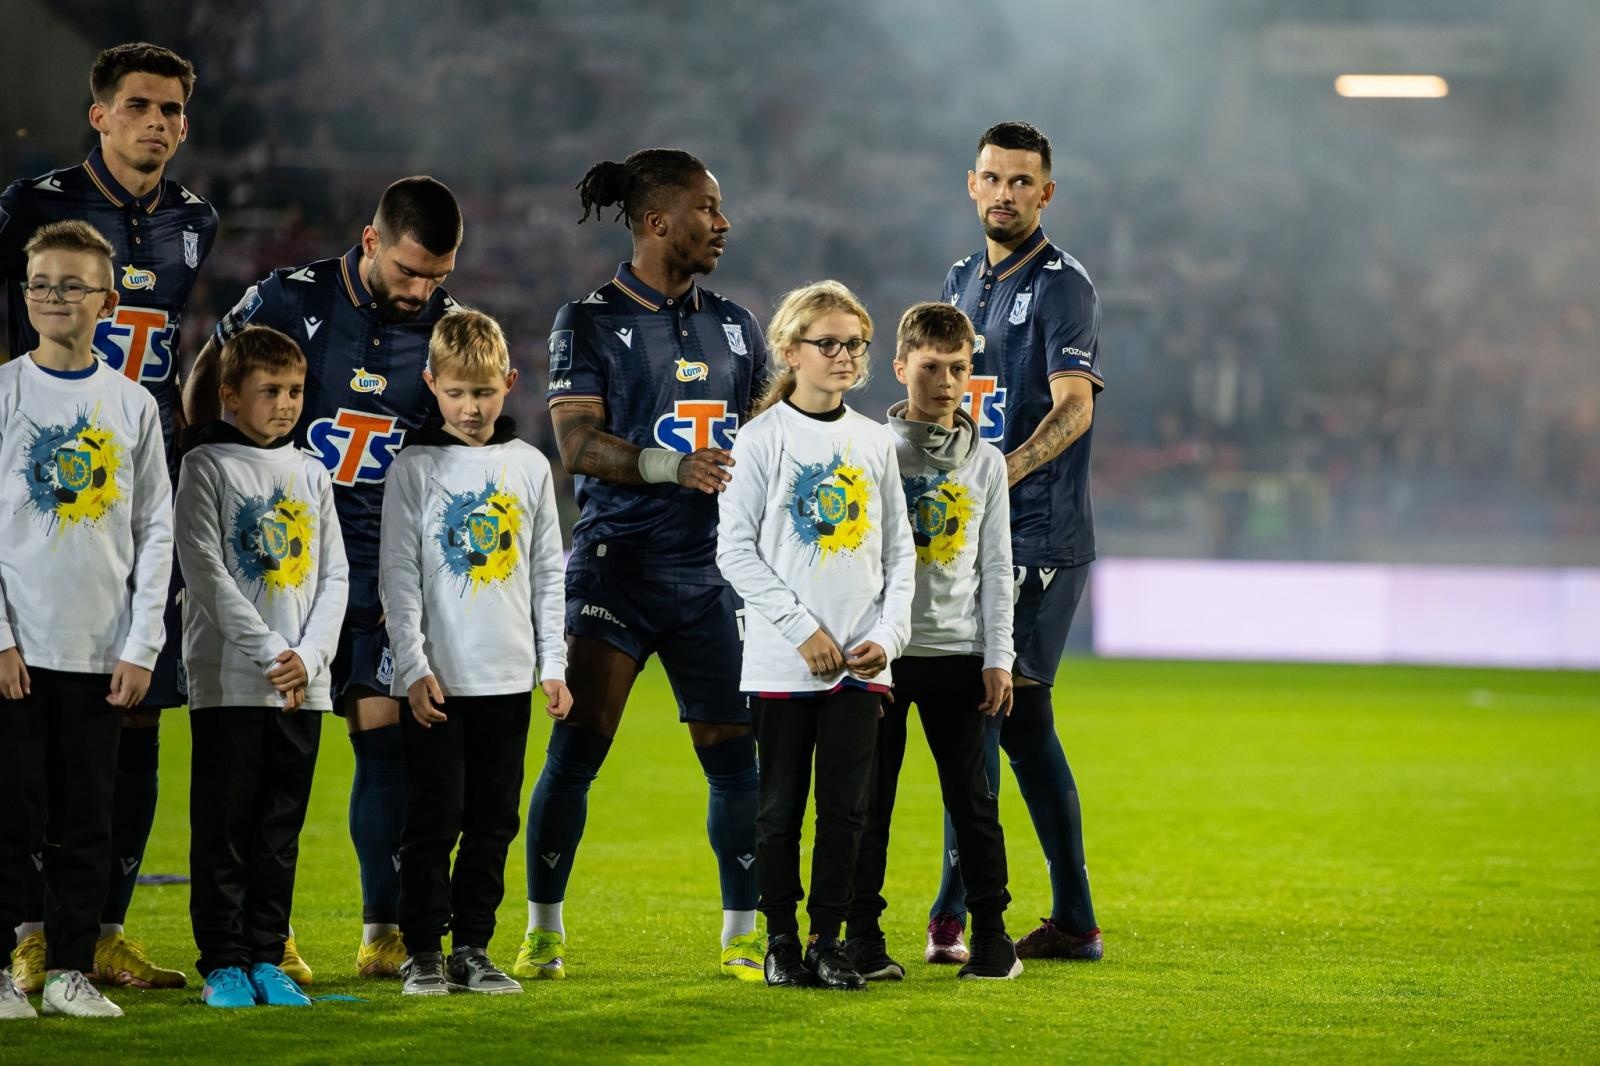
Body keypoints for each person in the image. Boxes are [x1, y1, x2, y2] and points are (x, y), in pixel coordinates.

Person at [186, 176, 463, 980]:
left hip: (374, 566)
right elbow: (209, 377)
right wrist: (212, 458)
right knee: (260, 762)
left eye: (438, 277)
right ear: (371, 241)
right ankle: (264, 936)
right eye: (410, 271)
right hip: (278, 565)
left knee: (384, 740)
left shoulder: (443, 327)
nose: (422, 292)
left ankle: (382, 932)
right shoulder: (288, 296)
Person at [517, 149, 765, 982]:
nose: (722, 223)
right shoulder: (587, 320)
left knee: (734, 759)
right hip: (616, 568)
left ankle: (742, 936)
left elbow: (770, 438)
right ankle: (543, 931)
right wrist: (670, 466)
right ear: (658, 221)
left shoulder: (738, 325)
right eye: (707, 208)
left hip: (712, 575)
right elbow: (577, 444)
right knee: (577, 751)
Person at [0, 42, 216, 992]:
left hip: (136, 479)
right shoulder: (33, 207)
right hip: (43, 485)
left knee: (138, 716)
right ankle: (29, 932)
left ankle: (101, 932)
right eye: (138, 106)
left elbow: (179, 348)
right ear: (99, 115)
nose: (157, 123)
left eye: (171, 109)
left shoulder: (195, 220)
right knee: (29, 740)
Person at [925, 121, 1106, 964]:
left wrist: (1005, 470)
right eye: (992, 178)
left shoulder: (1064, 286)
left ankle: (951, 911)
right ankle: (1073, 920)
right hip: (970, 535)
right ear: (972, 185)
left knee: (985, 712)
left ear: (1046, 193)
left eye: (1021, 181)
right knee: (1023, 725)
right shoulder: (961, 279)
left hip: (1038, 535)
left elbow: (1075, 406)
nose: (1005, 193)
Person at [715, 280, 915, 992]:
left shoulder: (875, 441)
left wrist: (888, 637)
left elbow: (900, 553)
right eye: (828, 343)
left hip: (860, 664)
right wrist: (803, 631)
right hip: (782, 661)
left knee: (846, 813)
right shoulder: (760, 439)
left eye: (855, 344)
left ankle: (828, 942)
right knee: (777, 813)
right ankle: (780, 942)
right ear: (789, 350)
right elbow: (734, 551)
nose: (845, 356)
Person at [0, 221, 173, 1019]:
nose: (52, 297)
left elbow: (156, 531)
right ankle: (4, 973)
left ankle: (71, 970)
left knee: (86, 823)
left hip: (101, 653)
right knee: (9, 816)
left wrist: (141, 645)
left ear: (107, 302)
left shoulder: (132, 404)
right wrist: (0, 638)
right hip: (18, 651)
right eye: (40, 283)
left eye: (71, 285)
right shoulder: (5, 393)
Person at [379, 310, 571, 997]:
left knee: (494, 822)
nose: (470, 407)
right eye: (457, 392)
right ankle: (421, 950)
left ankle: (472, 948)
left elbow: (547, 571)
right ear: (432, 384)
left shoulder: (528, 466)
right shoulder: (414, 468)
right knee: (433, 819)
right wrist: (413, 666)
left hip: (507, 678)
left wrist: (553, 664)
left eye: (484, 392)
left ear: (509, 384)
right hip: (438, 680)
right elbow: (399, 575)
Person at [845, 302, 1022, 980]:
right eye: (930, 368)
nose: (945, 383)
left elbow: (997, 567)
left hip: (957, 655)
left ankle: (993, 940)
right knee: (868, 807)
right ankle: (862, 939)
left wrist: (999, 657)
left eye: (958, 368)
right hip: (883, 657)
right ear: (900, 368)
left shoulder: (987, 462)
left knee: (974, 807)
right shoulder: (870, 450)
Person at [175, 325, 348, 1009]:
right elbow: (204, 571)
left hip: (302, 685)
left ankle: (268, 956)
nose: (285, 404)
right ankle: (222, 962)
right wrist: (273, 651)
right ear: (229, 395)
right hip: (232, 680)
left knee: (279, 832)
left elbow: (335, 576)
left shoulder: (311, 471)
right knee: (225, 830)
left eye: (295, 391)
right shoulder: (206, 466)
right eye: (269, 390)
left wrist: (309, 656)